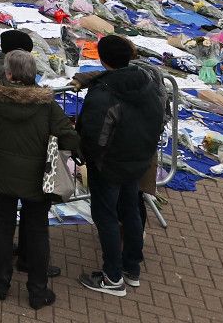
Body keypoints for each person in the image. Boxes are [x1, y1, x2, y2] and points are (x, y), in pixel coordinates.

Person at [0, 50, 80, 309]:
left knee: (2, 227)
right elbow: (68, 135)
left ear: (8, 73)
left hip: (3, 173)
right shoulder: (46, 104)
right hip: (37, 178)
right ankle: (37, 291)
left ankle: (0, 282)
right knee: (37, 231)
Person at [74, 35, 166, 296]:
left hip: (109, 165)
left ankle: (112, 277)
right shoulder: (147, 82)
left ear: (102, 59)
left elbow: (94, 136)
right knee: (131, 211)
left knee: (106, 218)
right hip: (138, 159)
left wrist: (88, 157)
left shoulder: (104, 95)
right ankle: (131, 268)